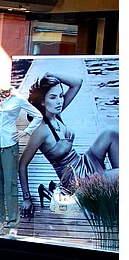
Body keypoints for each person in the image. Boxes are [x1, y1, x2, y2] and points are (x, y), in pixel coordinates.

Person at [19, 72, 119, 217]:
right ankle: (113, 181)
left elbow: (77, 82)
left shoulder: (56, 114)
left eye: (60, 95)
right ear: (42, 102)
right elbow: (22, 164)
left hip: (85, 162)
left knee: (110, 133)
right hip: (78, 179)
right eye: (53, 97)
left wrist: (51, 74)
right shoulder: (41, 130)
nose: (59, 101)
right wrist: (26, 199)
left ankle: (115, 190)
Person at [0, 86, 43, 236]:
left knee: (11, 184)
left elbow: (38, 116)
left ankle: (13, 225)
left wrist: (26, 132)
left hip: (10, 143)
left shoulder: (18, 99)